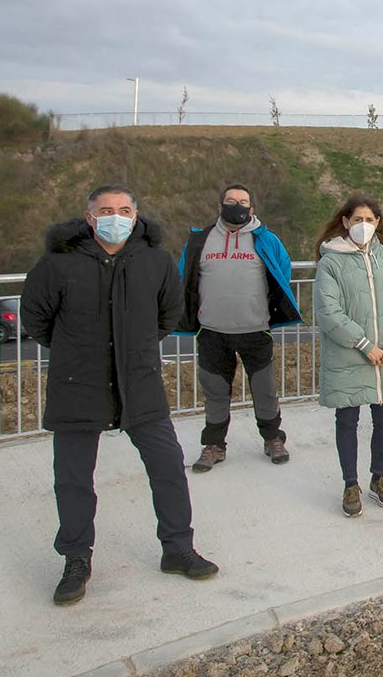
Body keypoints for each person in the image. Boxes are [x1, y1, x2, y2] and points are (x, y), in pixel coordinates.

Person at [21, 185, 217, 606]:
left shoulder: (154, 260)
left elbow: (169, 313)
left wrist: (140, 347)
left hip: (140, 384)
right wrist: (75, 352)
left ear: (136, 214)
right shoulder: (59, 262)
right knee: (73, 479)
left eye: (124, 209)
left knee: (167, 466)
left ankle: (178, 548)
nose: (116, 216)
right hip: (77, 387)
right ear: (90, 217)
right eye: (106, 210)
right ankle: (76, 558)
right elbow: (35, 318)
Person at [177, 184, 303, 472]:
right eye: (230, 201)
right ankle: (214, 445)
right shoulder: (200, 240)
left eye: (243, 201)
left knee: (265, 389)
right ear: (220, 205)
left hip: (255, 330)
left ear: (252, 208)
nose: (237, 205)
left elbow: (282, 272)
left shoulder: (266, 239)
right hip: (212, 331)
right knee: (215, 391)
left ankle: (273, 439)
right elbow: (185, 275)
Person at [312, 194, 383, 517]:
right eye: (358, 220)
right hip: (350, 356)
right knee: (348, 420)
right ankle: (350, 483)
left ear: (378, 223)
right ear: (345, 222)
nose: (364, 226)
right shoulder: (331, 261)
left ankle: (379, 475)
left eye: (370, 220)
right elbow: (329, 312)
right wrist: (364, 344)